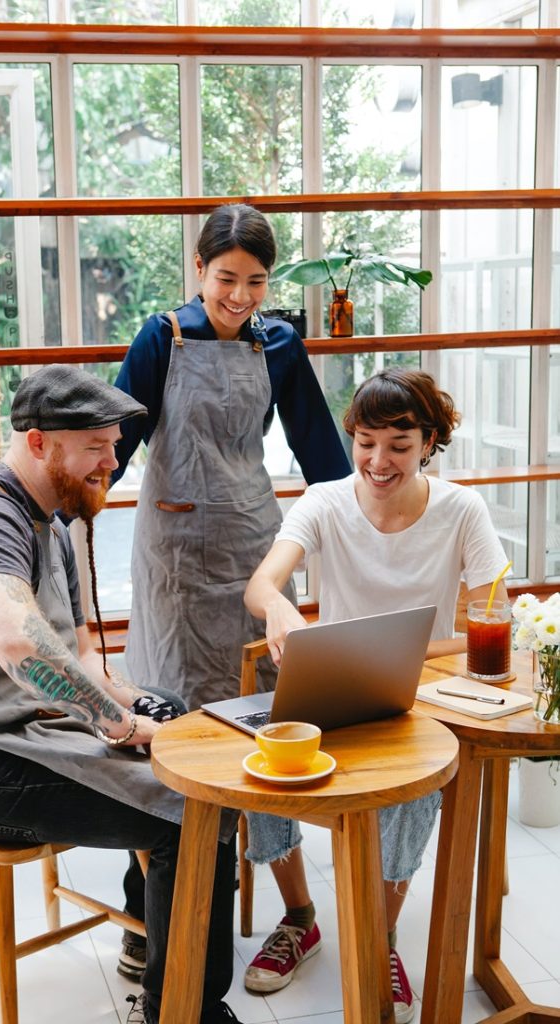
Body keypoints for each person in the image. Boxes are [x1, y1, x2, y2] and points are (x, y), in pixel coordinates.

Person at [0, 365, 243, 1024]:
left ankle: (150, 937)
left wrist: (136, 706)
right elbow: (19, 643)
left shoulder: (49, 520)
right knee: (195, 807)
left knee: (177, 718)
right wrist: (118, 725)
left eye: (114, 445)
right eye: (95, 447)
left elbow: (79, 651)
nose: (112, 462)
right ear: (38, 443)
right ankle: (182, 1012)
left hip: (13, 729)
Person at [111, 202, 350, 980]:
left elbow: (323, 457)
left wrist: (370, 527)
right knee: (167, 723)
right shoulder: (160, 338)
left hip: (252, 552)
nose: (240, 296)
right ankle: (147, 906)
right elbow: (113, 447)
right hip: (174, 561)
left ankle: (289, 907)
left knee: (261, 721)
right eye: (225, 279)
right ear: (198, 268)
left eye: (255, 282)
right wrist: (48, 511)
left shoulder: (279, 344)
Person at [242, 367, 509, 1022]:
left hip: (419, 700)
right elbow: (261, 585)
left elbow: (492, 615)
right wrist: (279, 609)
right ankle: (299, 918)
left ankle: (379, 932)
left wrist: (426, 657)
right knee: (258, 758)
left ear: (429, 443)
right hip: (331, 694)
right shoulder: (325, 501)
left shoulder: (460, 510)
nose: (378, 461)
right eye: (366, 443)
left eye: (398, 444)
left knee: (413, 790)